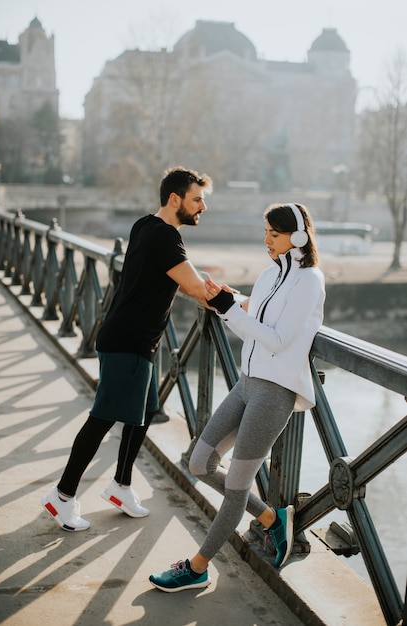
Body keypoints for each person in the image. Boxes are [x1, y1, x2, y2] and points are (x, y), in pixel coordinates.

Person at [149, 202, 325, 592]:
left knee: (236, 488)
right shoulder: (268, 274)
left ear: (297, 237)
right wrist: (232, 298)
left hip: (274, 394)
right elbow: (257, 311)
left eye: (273, 234)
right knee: (200, 463)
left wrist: (229, 311)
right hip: (246, 383)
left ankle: (197, 567)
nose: (266, 240)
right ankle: (272, 520)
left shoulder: (310, 281)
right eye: (265, 232)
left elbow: (279, 340)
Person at [41, 166, 213, 531]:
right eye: (197, 200)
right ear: (174, 199)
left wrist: (199, 283)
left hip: (135, 339)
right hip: (128, 342)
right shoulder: (166, 237)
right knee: (103, 417)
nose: (202, 207)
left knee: (146, 410)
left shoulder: (144, 226)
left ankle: (120, 485)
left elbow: (175, 277)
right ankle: (63, 495)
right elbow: (196, 288)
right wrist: (235, 302)